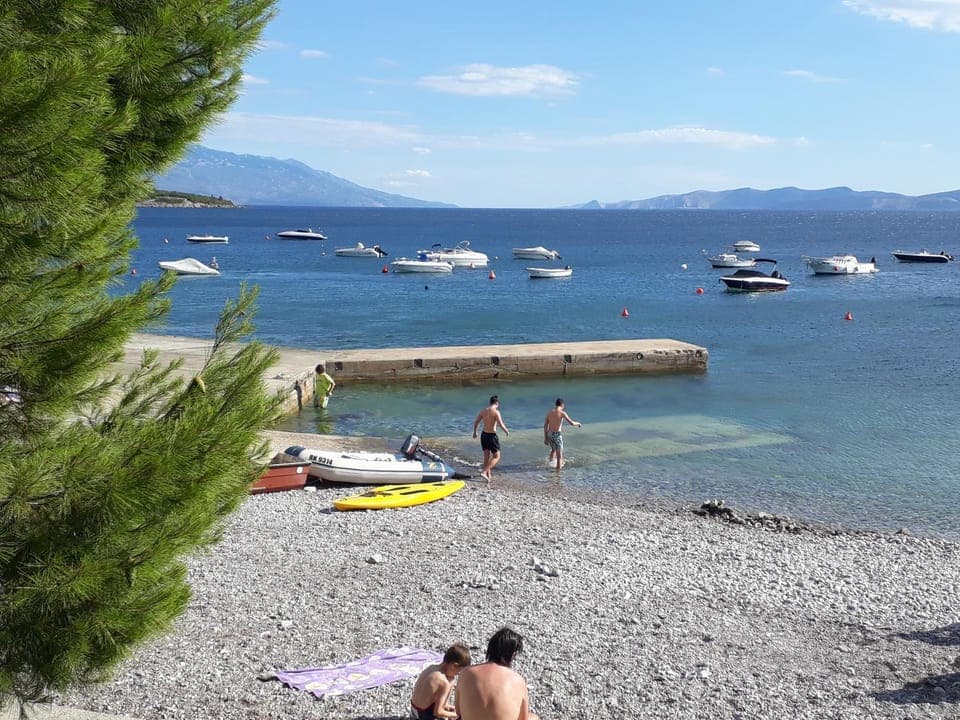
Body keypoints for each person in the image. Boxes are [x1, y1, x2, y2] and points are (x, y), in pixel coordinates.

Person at [455, 628, 539, 720]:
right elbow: (523, 718)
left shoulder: (466, 673)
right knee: (534, 717)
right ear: (512, 655)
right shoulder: (518, 681)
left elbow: (458, 711)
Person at [410, 644, 472, 720]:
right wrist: (456, 715)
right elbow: (438, 712)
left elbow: (440, 704)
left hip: (414, 710)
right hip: (422, 715)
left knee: (453, 711)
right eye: (459, 672)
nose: (457, 674)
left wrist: (451, 710)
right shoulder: (444, 682)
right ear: (454, 665)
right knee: (461, 717)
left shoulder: (431, 667)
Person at [472, 395, 509, 480]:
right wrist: (506, 431)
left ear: (490, 402)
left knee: (486, 456)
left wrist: (475, 432)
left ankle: (488, 476)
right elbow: (500, 424)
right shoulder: (496, 412)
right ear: (497, 403)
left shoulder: (483, 411)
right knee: (496, 456)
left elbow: (476, 422)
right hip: (492, 436)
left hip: (484, 435)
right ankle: (484, 472)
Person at [543, 397, 582, 470]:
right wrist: (578, 423)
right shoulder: (562, 413)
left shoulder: (549, 413)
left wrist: (545, 438)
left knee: (553, 450)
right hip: (557, 435)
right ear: (562, 405)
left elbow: (545, 426)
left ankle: (551, 464)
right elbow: (571, 423)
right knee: (559, 457)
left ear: (556, 404)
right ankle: (558, 474)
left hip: (549, 434)